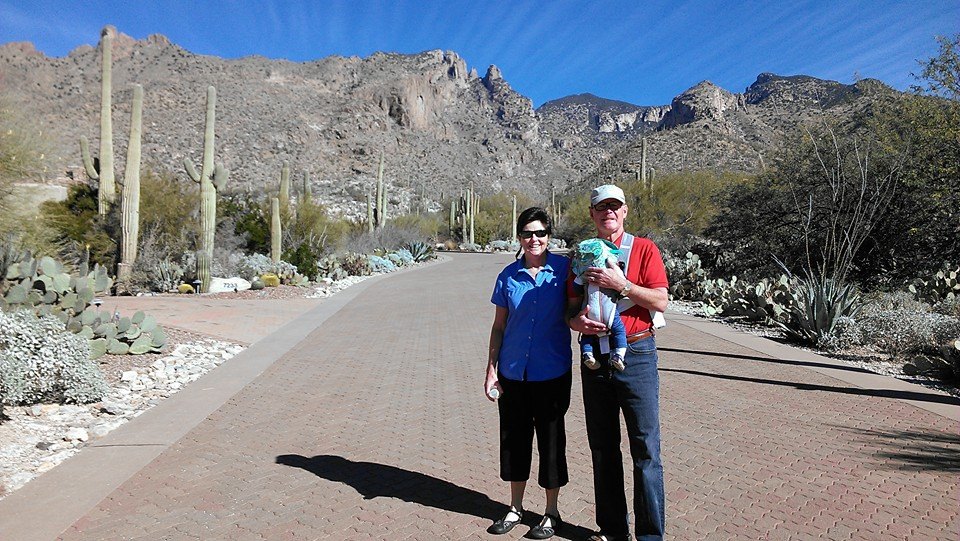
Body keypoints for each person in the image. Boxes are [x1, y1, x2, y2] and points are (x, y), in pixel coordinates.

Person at [568, 184, 669, 541]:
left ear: (624, 211)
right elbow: (570, 307)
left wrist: (622, 285)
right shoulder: (582, 253)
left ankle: (650, 536)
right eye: (601, 207)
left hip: (636, 354)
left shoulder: (643, 249)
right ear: (592, 214)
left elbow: (660, 300)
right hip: (595, 357)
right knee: (603, 447)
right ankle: (612, 530)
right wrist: (576, 322)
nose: (608, 212)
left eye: (615, 206)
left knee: (646, 448)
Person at [485, 207, 572, 540]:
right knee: (514, 440)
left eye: (540, 233)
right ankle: (515, 508)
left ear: (549, 235)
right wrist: (491, 369)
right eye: (527, 233)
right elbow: (499, 326)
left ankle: (551, 512)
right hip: (513, 373)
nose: (534, 239)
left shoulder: (564, 271)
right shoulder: (508, 276)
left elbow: (582, 307)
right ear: (519, 237)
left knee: (551, 443)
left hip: (552, 372)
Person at [571, 238, 627, 371]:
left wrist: (581, 277)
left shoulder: (583, 275)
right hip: (610, 312)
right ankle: (619, 355)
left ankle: (587, 354)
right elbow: (622, 291)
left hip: (589, 312)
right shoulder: (613, 273)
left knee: (587, 334)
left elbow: (576, 289)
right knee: (619, 332)